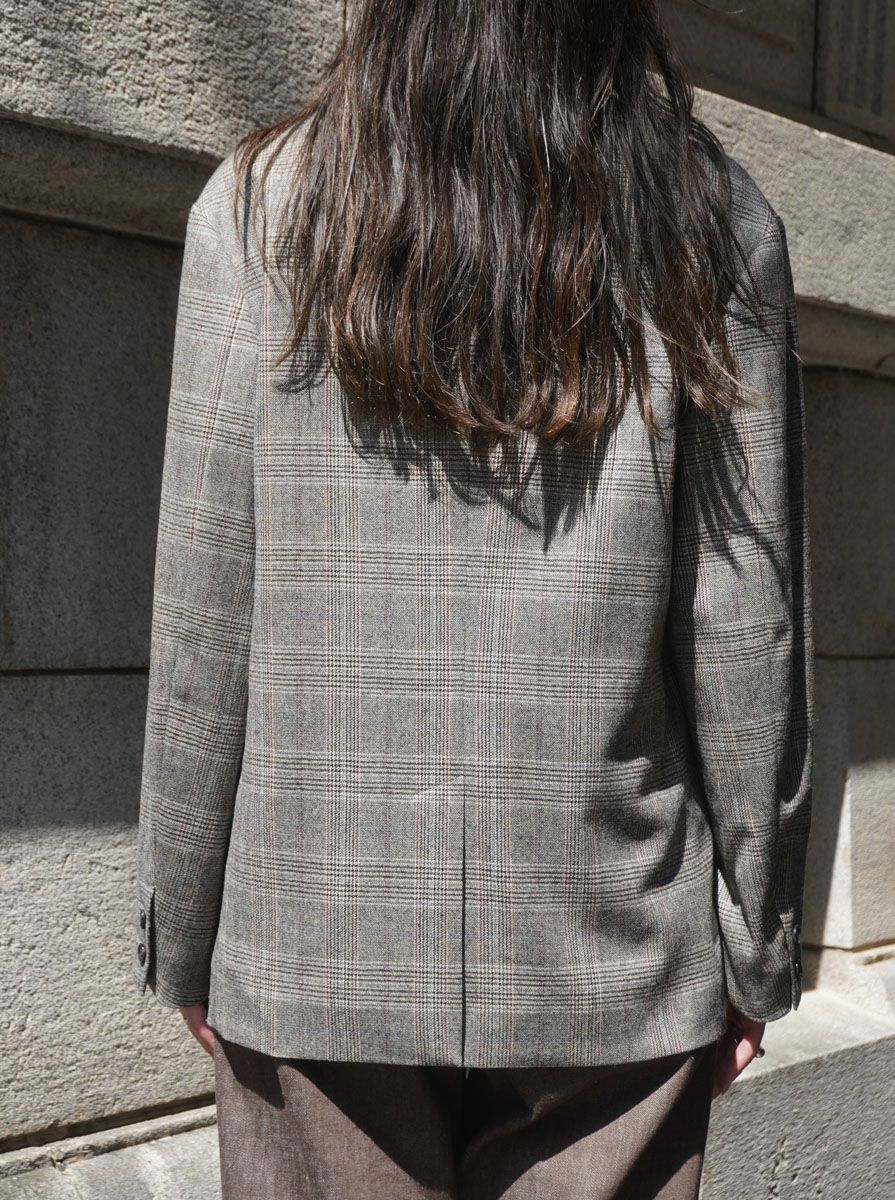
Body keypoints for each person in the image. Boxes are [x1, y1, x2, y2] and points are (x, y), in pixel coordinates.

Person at [130, 1, 813, 1196]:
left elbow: (204, 613)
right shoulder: (706, 219)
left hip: (315, 934)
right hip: (607, 943)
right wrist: (759, 946)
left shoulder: (256, 209)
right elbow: (746, 630)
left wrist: (184, 932)